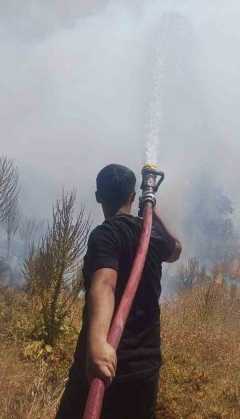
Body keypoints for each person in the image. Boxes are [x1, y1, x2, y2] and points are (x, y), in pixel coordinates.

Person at [55, 163, 183, 419]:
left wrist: (98, 345)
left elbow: (104, 284)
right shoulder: (151, 239)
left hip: (104, 369)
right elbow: (176, 249)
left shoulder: (105, 235)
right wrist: (152, 213)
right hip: (144, 371)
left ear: (98, 196)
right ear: (132, 196)